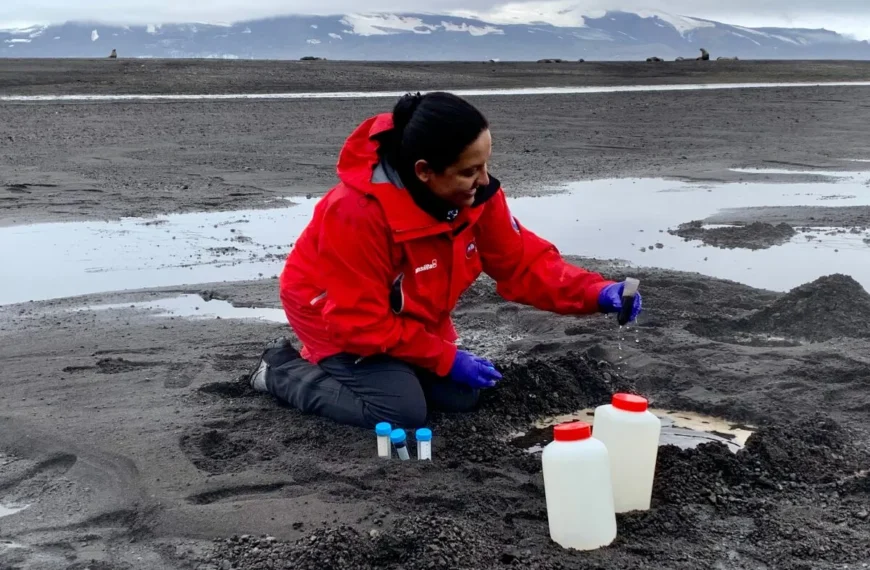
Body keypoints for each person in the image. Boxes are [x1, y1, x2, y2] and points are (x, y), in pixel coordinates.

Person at [248, 91, 642, 429]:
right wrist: (444, 357)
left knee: (462, 397)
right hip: (330, 311)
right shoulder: (356, 212)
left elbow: (522, 263)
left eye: (486, 164)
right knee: (400, 412)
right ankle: (281, 371)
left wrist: (598, 292)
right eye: (469, 171)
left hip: (407, 313)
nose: (485, 181)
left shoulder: (474, 197)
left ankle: (388, 370)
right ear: (424, 171)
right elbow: (357, 321)